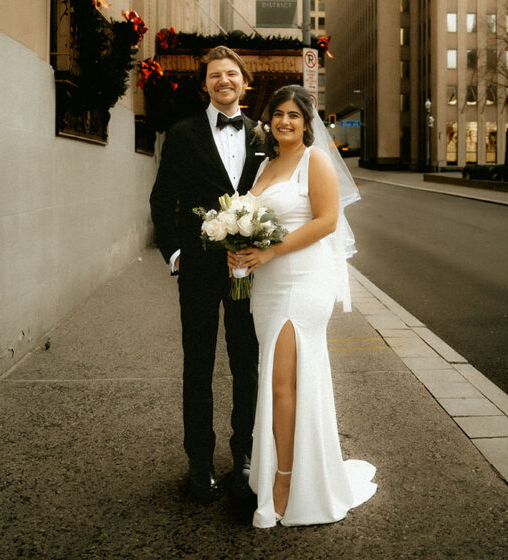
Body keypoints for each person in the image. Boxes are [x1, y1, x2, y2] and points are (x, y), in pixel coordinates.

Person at [229, 84, 377, 527]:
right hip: (267, 285)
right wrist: (238, 249)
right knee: (278, 380)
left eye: (295, 115)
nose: (286, 122)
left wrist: (271, 253)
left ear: (306, 122)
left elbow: (327, 221)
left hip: (302, 281)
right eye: (279, 114)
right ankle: (281, 469)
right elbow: (253, 223)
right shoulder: (267, 166)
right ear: (268, 121)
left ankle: (287, 484)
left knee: (281, 384)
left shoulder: (315, 162)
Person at [149, 46, 264, 505]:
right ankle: (199, 461)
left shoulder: (263, 135)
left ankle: (246, 458)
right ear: (206, 84)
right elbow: (162, 199)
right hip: (197, 268)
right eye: (215, 75)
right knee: (197, 365)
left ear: (244, 82)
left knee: (246, 365)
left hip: (249, 271)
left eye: (231, 74)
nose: (224, 81)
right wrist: (175, 253)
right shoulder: (182, 134)